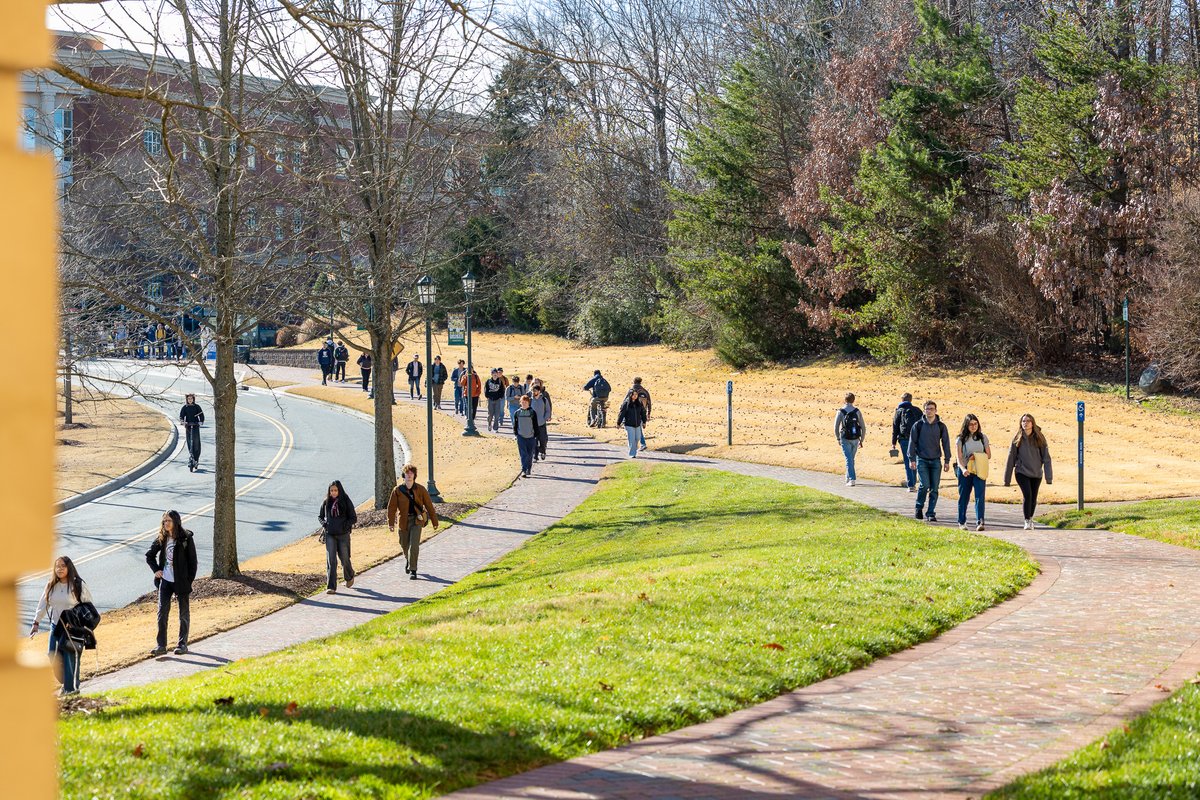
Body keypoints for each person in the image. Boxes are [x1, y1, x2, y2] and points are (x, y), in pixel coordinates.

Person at [30, 556, 93, 695]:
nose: (59, 569)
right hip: (56, 627)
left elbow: (88, 605)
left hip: (72, 628)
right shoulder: (51, 585)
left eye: (63, 566)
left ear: (69, 567)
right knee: (52, 655)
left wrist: (86, 627)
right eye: (57, 566)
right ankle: (67, 683)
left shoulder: (77, 584)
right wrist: (36, 622)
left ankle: (71, 689)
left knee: (69, 657)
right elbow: (43, 604)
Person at [145, 510, 198, 656]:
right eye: (164, 521)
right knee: (162, 613)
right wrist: (156, 570)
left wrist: (188, 580)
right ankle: (161, 646)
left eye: (168, 521)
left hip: (181, 582)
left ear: (176, 521)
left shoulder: (186, 538)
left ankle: (182, 645)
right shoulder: (162, 538)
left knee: (183, 614)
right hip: (166, 582)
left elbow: (193, 562)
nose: (166, 523)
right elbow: (149, 556)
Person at [387, 464, 439, 580]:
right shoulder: (397, 490)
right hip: (403, 521)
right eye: (407, 473)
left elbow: (429, 506)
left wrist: (435, 521)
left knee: (414, 545)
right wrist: (391, 523)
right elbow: (392, 508)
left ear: (415, 475)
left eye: (411, 473)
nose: (409, 475)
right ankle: (408, 559)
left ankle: (413, 570)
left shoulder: (420, 489)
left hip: (417, 520)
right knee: (404, 544)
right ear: (403, 475)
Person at [1004, 413, 1053, 530]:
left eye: (1028, 421)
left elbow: (1046, 458)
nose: (1025, 423)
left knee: (1033, 497)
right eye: (1023, 421)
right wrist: (1007, 479)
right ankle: (1026, 520)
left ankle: (1030, 518)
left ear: (1032, 423)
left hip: (1036, 473)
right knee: (1028, 495)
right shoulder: (1017, 438)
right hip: (1021, 472)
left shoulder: (1040, 438)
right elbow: (1011, 458)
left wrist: (1049, 477)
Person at [908, 400, 951, 523]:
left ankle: (931, 513)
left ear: (936, 411)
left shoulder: (941, 426)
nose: (929, 411)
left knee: (934, 488)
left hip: (936, 461)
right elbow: (912, 442)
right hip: (922, 460)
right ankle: (919, 507)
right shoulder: (918, 425)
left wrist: (947, 460)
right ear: (924, 411)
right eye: (927, 409)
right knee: (924, 485)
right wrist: (911, 459)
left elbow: (946, 443)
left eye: (932, 409)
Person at [318, 480, 358, 593]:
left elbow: (353, 518)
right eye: (331, 490)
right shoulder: (326, 502)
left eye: (335, 490)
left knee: (344, 558)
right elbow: (320, 516)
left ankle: (349, 576)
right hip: (330, 534)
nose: (333, 492)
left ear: (339, 490)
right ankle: (331, 586)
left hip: (343, 535)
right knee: (331, 560)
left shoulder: (345, 500)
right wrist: (325, 524)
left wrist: (345, 525)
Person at [955, 414, 991, 531]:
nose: (973, 426)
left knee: (980, 496)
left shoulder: (983, 437)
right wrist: (963, 469)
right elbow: (959, 458)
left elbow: (988, 455)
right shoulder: (960, 439)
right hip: (965, 470)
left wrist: (975, 456)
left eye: (975, 424)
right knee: (964, 496)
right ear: (966, 425)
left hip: (979, 469)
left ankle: (980, 521)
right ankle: (962, 522)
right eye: (971, 424)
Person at [891, 393, 922, 492]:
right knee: (915, 460)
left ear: (902, 400)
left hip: (904, 439)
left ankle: (911, 485)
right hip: (916, 439)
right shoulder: (917, 410)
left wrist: (893, 442)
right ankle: (916, 481)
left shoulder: (899, 411)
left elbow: (895, 427)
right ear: (911, 400)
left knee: (907, 460)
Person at [834, 393, 866, 486]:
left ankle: (852, 479)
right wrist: (861, 440)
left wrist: (838, 438)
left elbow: (836, 427)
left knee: (849, 459)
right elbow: (863, 427)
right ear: (853, 400)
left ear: (845, 400)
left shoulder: (840, 411)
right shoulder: (857, 411)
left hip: (845, 437)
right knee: (851, 459)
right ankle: (847, 477)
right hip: (855, 438)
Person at [512, 393, 540, 477]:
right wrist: (516, 434)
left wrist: (536, 435)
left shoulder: (532, 412)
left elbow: (535, 425)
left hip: (531, 437)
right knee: (523, 454)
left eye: (526, 402)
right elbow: (515, 425)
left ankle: (528, 468)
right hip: (521, 436)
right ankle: (524, 470)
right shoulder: (517, 413)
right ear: (520, 403)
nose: (524, 404)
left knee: (529, 454)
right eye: (523, 402)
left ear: (528, 403)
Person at [616, 387, 648, 458]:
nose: (635, 396)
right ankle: (632, 454)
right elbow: (622, 413)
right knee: (632, 439)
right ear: (630, 395)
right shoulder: (626, 403)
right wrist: (618, 423)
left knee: (638, 438)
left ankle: (633, 448)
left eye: (636, 395)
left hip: (637, 424)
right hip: (629, 424)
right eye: (634, 395)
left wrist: (644, 421)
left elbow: (643, 412)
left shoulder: (639, 403)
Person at [178, 393, 205, 472]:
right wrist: (183, 422)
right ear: (187, 400)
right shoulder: (185, 407)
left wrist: (201, 421)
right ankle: (191, 456)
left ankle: (196, 458)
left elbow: (201, 415)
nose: (190, 400)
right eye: (188, 399)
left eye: (191, 399)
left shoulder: (197, 407)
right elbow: (181, 416)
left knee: (196, 443)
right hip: (188, 426)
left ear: (193, 399)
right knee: (190, 442)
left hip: (195, 426)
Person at [529, 382, 552, 460]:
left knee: (543, 440)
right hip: (532, 425)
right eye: (532, 391)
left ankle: (543, 451)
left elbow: (548, 410)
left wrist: (545, 418)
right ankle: (535, 456)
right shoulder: (530, 400)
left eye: (535, 391)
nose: (534, 392)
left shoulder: (544, 400)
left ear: (539, 391)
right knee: (534, 441)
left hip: (542, 424)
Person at [630, 378, 652, 450]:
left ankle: (642, 444)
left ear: (634, 382)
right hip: (643, 412)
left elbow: (626, 401)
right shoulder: (645, 391)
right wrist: (648, 413)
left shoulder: (632, 391)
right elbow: (649, 403)